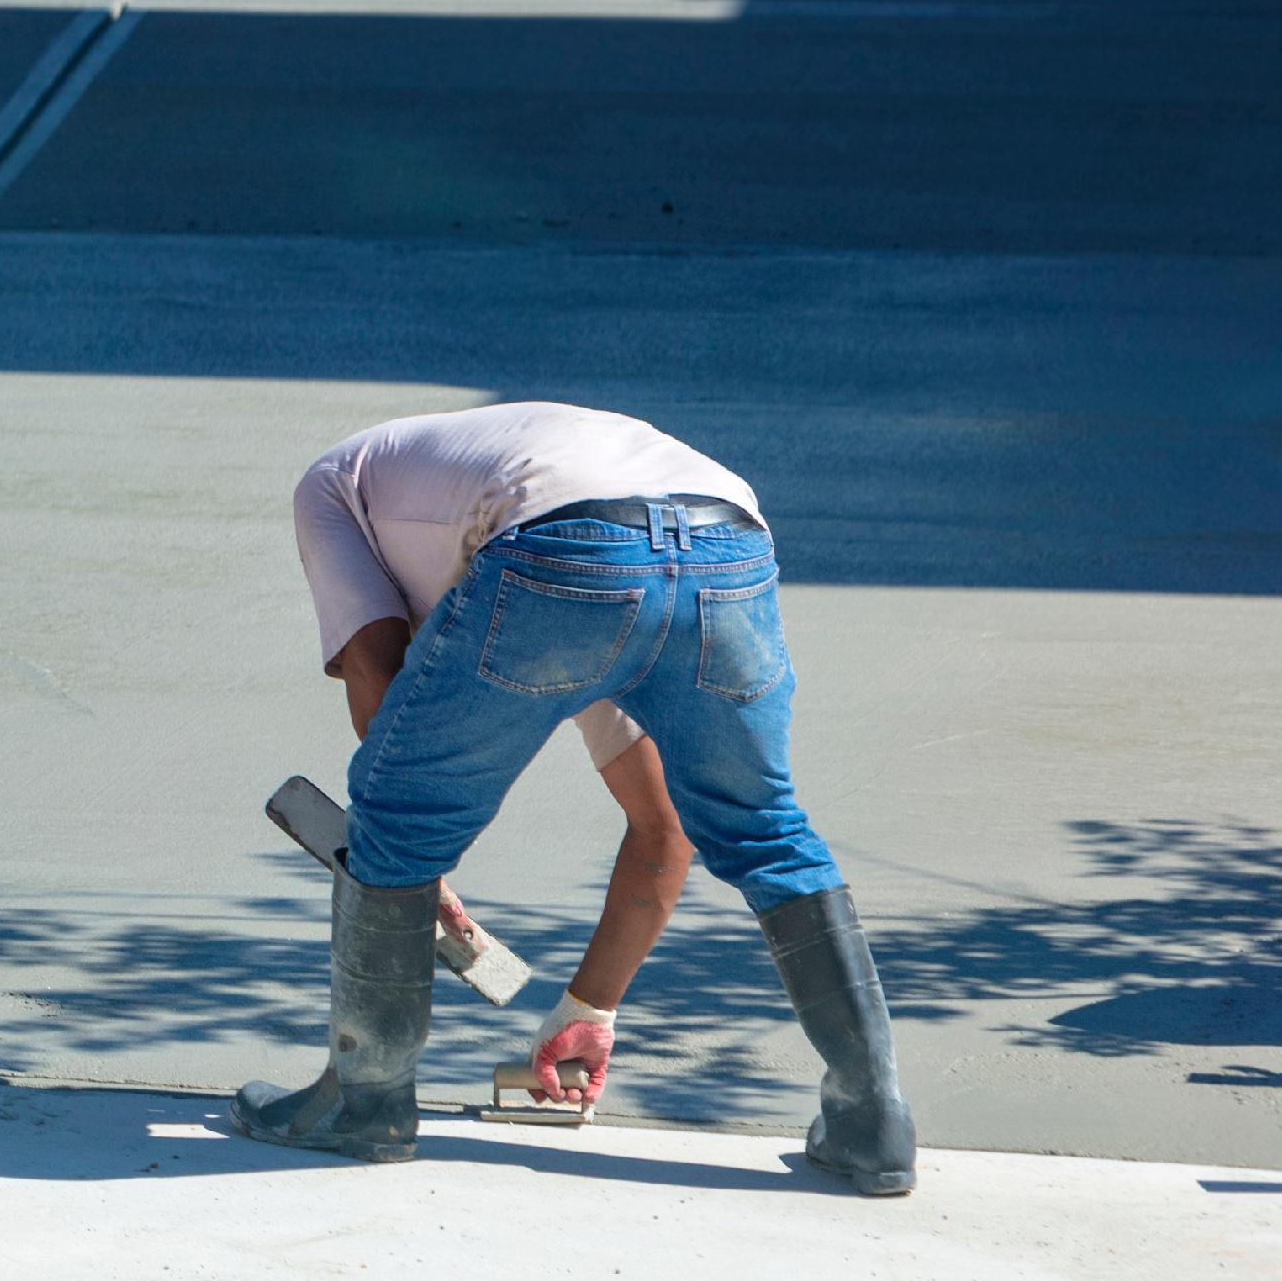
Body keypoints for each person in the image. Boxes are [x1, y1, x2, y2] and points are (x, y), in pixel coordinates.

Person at [238, 401, 915, 1196]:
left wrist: (406, 870)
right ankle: (874, 1122)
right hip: (725, 543)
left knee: (395, 818)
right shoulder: (562, 581)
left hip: (561, 550)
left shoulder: (333, 487)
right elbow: (665, 832)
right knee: (764, 829)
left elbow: (377, 685)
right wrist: (589, 1009)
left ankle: (365, 1104)